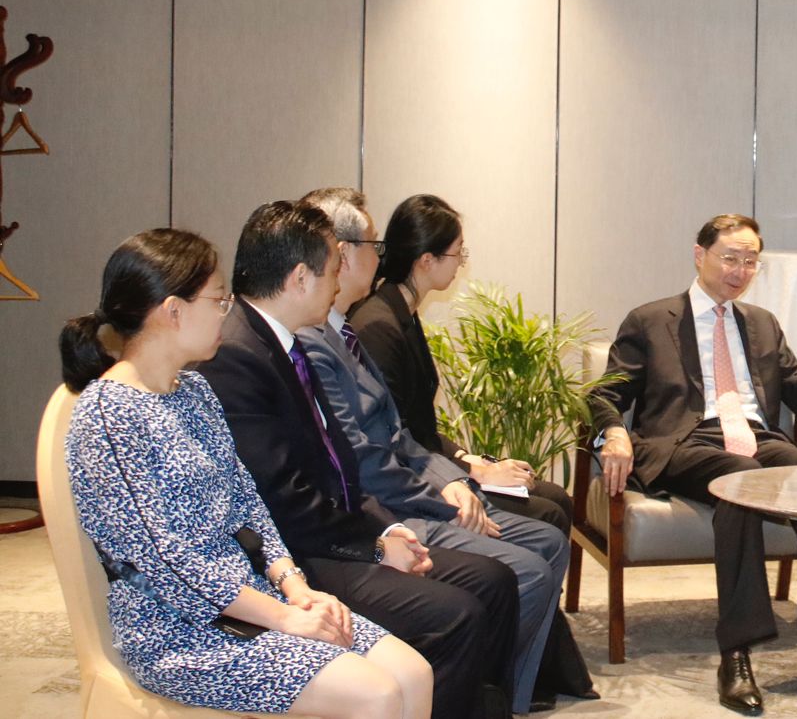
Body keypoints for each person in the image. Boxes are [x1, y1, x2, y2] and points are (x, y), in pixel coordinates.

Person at [60, 228, 431, 718]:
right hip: (178, 631)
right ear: (173, 311)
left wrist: (296, 588)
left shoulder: (193, 391)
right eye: (218, 300)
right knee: (376, 692)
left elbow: (246, 502)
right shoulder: (109, 415)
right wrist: (284, 617)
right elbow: (166, 562)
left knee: (412, 673)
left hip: (253, 602)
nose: (226, 311)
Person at [196, 200, 522, 719]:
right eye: (332, 270)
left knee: (494, 581)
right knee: (455, 613)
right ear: (300, 278)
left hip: (335, 529)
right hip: (302, 554)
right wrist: (373, 546)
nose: (338, 282)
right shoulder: (239, 356)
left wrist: (388, 529)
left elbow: (341, 462)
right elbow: (281, 499)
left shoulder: (287, 343)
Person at [296, 186, 590, 712]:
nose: (378, 256)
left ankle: (512, 689)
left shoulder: (350, 329)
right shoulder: (355, 329)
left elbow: (405, 434)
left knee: (547, 531)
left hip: (414, 483)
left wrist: (459, 473)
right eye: (370, 245)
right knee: (528, 558)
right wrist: (450, 488)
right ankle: (493, 691)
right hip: (388, 509)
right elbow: (365, 457)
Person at [591, 213, 797, 715]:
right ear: (700, 255)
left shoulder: (762, 323)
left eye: (750, 261)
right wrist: (613, 432)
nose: (740, 271)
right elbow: (605, 393)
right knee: (743, 482)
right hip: (684, 441)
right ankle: (736, 653)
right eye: (730, 258)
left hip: (756, 438)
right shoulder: (649, 320)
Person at [349, 193, 574, 534]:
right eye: (458, 253)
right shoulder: (378, 327)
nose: (461, 264)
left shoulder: (401, 312)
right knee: (549, 513)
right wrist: (471, 471)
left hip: (428, 462)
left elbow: (421, 429)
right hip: (412, 481)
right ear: (427, 260)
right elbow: (398, 438)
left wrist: (467, 459)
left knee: (556, 497)